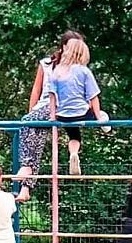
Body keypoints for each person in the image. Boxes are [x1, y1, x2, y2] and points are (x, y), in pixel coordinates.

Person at [12, 30, 84, 203]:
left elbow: (39, 90)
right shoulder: (72, 66)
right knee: (41, 137)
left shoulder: (64, 66)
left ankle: (27, 170)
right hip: (67, 108)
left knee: (29, 127)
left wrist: (31, 115)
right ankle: (26, 188)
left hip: (52, 107)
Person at [42, 36, 107, 176]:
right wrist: (98, 117)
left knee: (74, 136)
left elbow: (52, 96)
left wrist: (53, 117)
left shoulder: (56, 72)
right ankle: (105, 126)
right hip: (81, 112)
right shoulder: (83, 71)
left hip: (63, 115)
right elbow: (93, 96)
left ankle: (73, 153)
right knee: (104, 115)